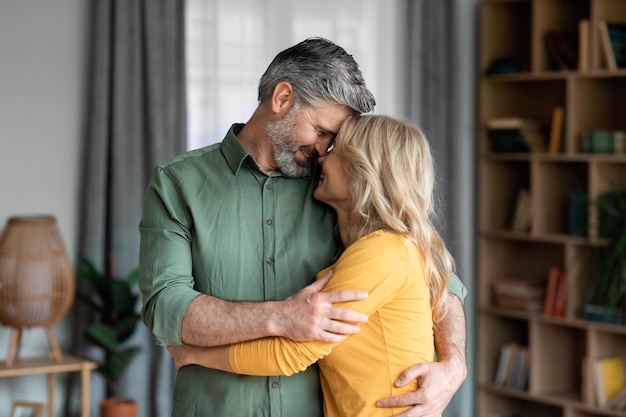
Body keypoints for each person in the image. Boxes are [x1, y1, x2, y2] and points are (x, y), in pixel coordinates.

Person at [139, 37, 467, 417]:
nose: (325, 149)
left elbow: (436, 277)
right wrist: (280, 315)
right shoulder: (178, 182)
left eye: (335, 141)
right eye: (323, 131)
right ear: (282, 98)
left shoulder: (340, 189)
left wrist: (454, 362)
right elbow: (165, 307)